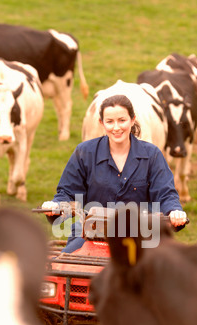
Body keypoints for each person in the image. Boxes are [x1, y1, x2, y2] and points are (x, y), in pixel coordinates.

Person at [42, 94, 187, 252]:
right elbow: (68, 193)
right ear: (101, 123)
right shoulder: (84, 152)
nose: (116, 127)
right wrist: (56, 206)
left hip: (138, 237)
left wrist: (174, 211)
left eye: (122, 120)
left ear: (132, 120)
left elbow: (165, 194)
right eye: (109, 121)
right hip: (89, 234)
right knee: (64, 267)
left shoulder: (152, 155)